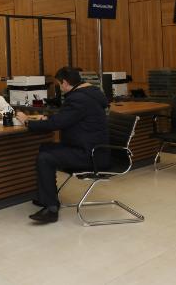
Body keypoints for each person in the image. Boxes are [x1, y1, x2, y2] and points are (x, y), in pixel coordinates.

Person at [15, 66, 109, 223]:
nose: (60, 88)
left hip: (91, 154)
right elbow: (67, 118)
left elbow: (58, 123)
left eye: (59, 84)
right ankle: (46, 197)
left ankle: (51, 209)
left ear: (65, 83)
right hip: (91, 148)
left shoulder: (79, 99)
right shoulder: (89, 94)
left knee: (45, 158)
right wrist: (48, 119)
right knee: (45, 148)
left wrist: (27, 121)